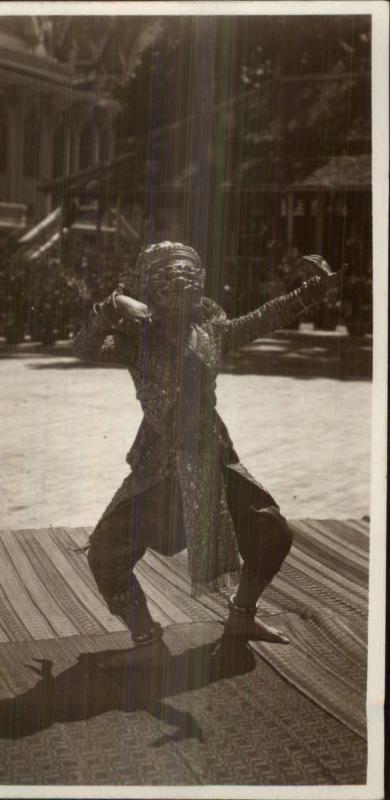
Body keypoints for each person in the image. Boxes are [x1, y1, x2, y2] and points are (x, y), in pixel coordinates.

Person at [74, 242, 338, 664]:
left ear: (199, 282)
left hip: (214, 458)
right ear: (147, 289)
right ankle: (147, 643)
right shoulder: (136, 341)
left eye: (185, 276)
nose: (178, 285)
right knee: (107, 551)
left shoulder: (211, 331)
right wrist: (111, 305)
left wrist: (309, 292)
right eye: (165, 279)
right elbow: (85, 348)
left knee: (272, 531)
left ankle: (241, 616)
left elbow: (263, 318)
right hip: (161, 466)